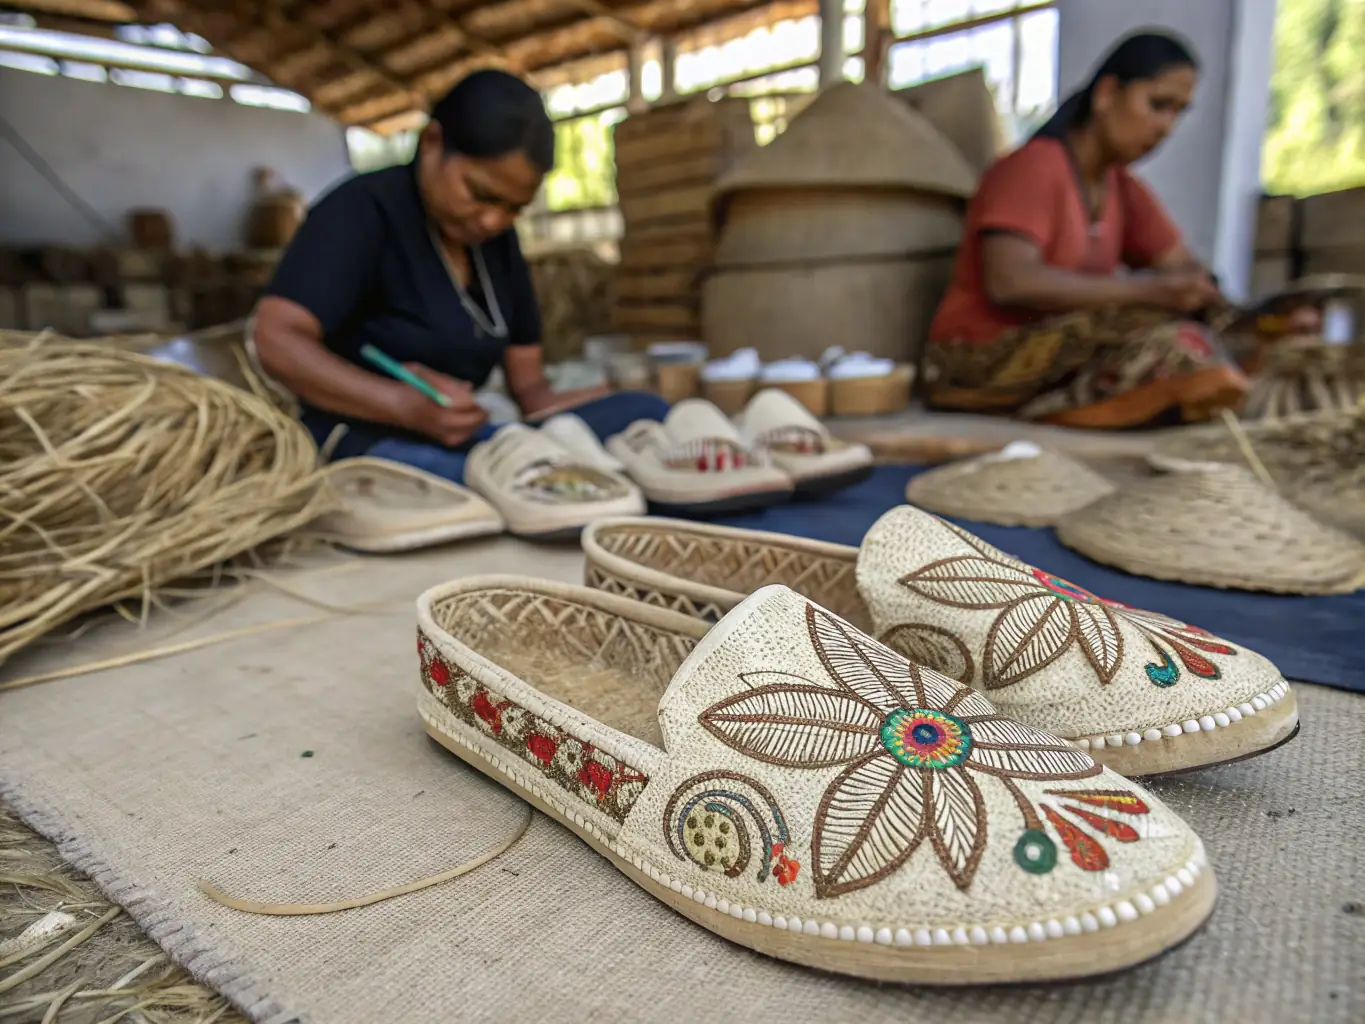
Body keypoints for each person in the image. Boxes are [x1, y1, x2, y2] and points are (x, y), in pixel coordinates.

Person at [251, 69, 666, 481]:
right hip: (366, 443)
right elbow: (275, 337)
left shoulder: (498, 244)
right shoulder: (362, 211)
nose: (493, 220)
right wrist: (401, 404)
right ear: (432, 143)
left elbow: (531, 394)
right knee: (515, 488)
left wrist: (610, 392)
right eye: (480, 194)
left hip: (461, 442)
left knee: (646, 416)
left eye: (514, 208)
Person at [923, 30, 1316, 428]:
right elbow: (1009, 281)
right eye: (1158, 105)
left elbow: (1185, 274)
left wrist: (1261, 320)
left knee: (1202, 331)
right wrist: (1150, 290)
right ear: (1107, 93)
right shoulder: (1032, 167)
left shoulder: (1123, 189)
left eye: (1178, 112)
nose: (1166, 127)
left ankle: (1128, 400)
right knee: (1162, 336)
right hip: (973, 359)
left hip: (1058, 354)